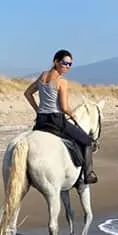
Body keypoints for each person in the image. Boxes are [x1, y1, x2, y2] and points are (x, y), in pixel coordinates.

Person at [24, 49, 98, 184]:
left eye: (70, 64)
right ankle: (87, 175)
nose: (67, 66)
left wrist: (38, 110)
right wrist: (72, 114)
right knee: (87, 141)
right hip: (56, 121)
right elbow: (64, 107)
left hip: (41, 121)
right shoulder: (62, 81)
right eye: (65, 63)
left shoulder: (43, 76)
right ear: (56, 61)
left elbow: (28, 93)